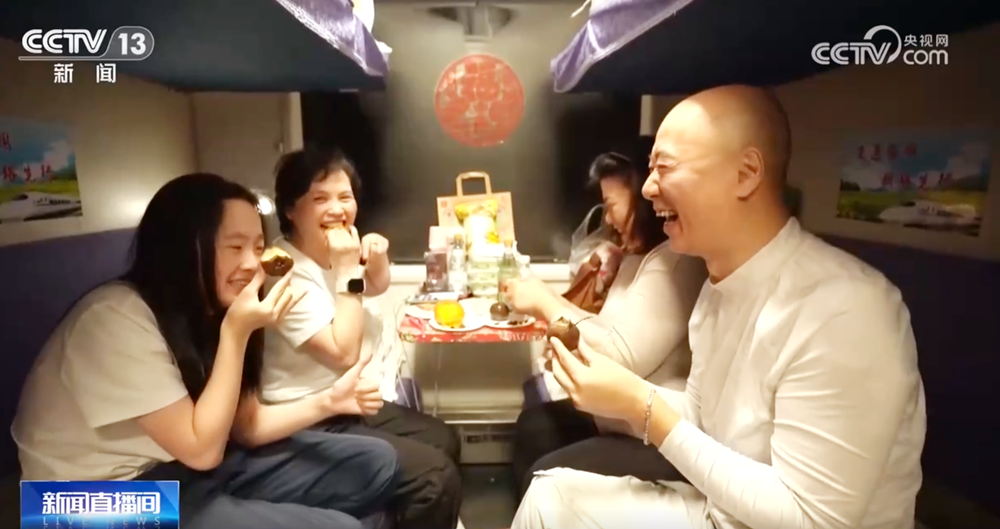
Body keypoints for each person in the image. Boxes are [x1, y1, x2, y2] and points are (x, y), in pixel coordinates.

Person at [512, 85, 926, 529]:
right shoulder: (718, 289)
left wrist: (640, 405)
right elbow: (703, 417)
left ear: (746, 174)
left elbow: (813, 519)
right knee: (549, 496)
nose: (648, 188)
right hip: (724, 512)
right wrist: (615, 394)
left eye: (664, 167)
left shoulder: (846, 310)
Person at [11, 173, 401, 529]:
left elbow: (246, 425)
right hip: (82, 499)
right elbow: (202, 451)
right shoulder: (113, 319)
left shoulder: (211, 307)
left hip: (180, 467)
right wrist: (237, 332)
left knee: (375, 465)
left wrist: (329, 401)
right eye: (235, 246)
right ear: (184, 248)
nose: (252, 263)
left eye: (258, 247)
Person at [263, 146, 462, 529]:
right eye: (320, 199)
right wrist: (346, 269)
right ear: (290, 209)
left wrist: (376, 256)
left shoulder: (330, 250)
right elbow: (342, 353)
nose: (337, 209)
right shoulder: (282, 270)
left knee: (444, 438)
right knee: (436, 478)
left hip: (344, 403)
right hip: (306, 417)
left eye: (345, 197)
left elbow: (375, 284)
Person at [504, 152, 706, 497]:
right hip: (617, 416)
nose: (608, 219)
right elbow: (607, 329)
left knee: (543, 474)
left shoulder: (674, 263)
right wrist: (550, 300)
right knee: (533, 427)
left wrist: (544, 302)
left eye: (612, 205)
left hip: (653, 432)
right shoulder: (636, 257)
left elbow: (620, 356)